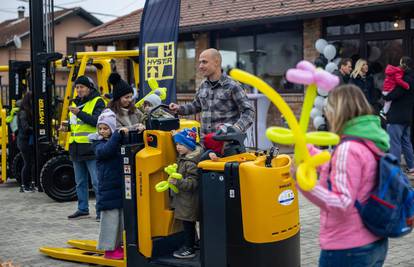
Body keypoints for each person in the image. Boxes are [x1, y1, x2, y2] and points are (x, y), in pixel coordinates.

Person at [299, 84, 389, 266]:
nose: (327, 115)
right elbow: (348, 170)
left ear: (338, 111)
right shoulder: (370, 139)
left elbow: (342, 203)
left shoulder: (347, 148)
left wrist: (304, 184)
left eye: (329, 109)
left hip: (347, 248)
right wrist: (309, 152)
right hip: (374, 242)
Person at [169, 48, 255, 136]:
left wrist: (237, 128)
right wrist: (178, 108)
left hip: (227, 144)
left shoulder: (232, 85)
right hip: (205, 142)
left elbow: (249, 112)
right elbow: (196, 106)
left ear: (216, 62)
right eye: (200, 62)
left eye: (204, 62)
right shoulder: (203, 85)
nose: (200, 66)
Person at [67, 75, 105, 221]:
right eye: (77, 87)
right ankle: (82, 209)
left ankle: (101, 211)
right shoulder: (74, 102)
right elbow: (75, 125)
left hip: (91, 148)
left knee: (96, 182)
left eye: (81, 87)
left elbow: (97, 122)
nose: (79, 90)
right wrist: (67, 126)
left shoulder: (98, 101)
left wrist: (79, 113)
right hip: (76, 147)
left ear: (89, 88)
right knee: (80, 182)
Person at [88, 109, 125, 260]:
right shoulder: (97, 143)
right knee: (110, 221)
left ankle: (118, 246)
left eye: (105, 128)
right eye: (100, 128)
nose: (102, 131)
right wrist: (117, 134)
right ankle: (108, 250)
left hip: (118, 186)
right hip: (107, 188)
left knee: (120, 219)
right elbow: (106, 151)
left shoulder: (116, 139)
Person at [170, 128, 202, 259]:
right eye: (176, 144)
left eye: (181, 145)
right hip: (185, 200)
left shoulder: (190, 162)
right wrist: (176, 137)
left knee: (188, 225)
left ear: (189, 146)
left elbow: (192, 183)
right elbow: (184, 141)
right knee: (188, 224)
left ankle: (189, 248)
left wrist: (178, 181)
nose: (177, 147)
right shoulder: (187, 155)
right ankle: (194, 243)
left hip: (188, 201)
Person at [383, 56, 414, 175]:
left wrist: (385, 96)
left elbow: (394, 95)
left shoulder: (405, 79)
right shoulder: (412, 78)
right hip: (407, 117)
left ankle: (394, 170)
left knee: (394, 143)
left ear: (404, 64)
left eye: (400, 63)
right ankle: (412, 168)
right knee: (406, 142)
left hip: (396, 116)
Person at [16, 92, 34, 192]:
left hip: (25, 140)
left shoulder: (27, 111)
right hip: (24, 141)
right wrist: (36, 129)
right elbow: (25, 127)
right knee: (27, 163)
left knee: (30, 163)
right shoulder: (23, 112)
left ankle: (28, 184)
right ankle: (24, 186)